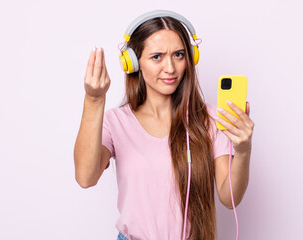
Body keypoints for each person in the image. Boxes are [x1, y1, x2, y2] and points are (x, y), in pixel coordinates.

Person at [74, 10, 254, 240]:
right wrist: (94, 100)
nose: (170, 68)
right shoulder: (115, 122)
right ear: (133, 63)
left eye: (178, 55)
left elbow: (230, 199)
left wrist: (243, 149)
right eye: (157, 56)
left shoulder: (209, 118)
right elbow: (85, 177)